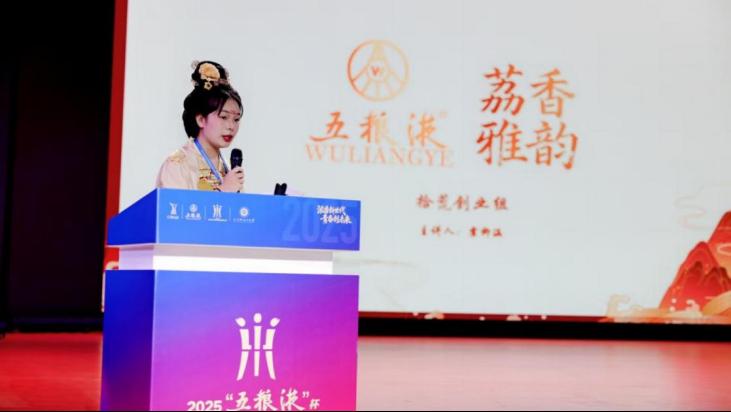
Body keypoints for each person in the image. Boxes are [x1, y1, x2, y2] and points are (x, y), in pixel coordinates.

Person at [156, 60, 245, 192]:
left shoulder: (227, 169)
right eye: (224, 117)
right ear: (201, 119)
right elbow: (175, 205)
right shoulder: (177, 164)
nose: (231, 126)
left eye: (236, 119)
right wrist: (224, 191)